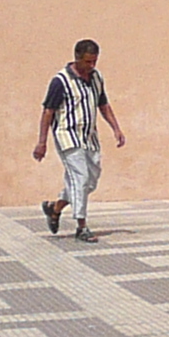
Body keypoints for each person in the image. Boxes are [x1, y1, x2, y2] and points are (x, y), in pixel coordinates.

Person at [31, 38, 125, 241]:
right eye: (88, 62)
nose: (91, 66)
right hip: (67, 135)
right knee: (80, 177)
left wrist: (116, 128)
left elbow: (103, 104)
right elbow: (48, 111)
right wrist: (42, 142)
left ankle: (54, 208)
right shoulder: (60, 81)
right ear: (77, 58)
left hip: (89, 136)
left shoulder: (96, 77)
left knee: (90, 181)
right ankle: (81, 226)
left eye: (94, 62)